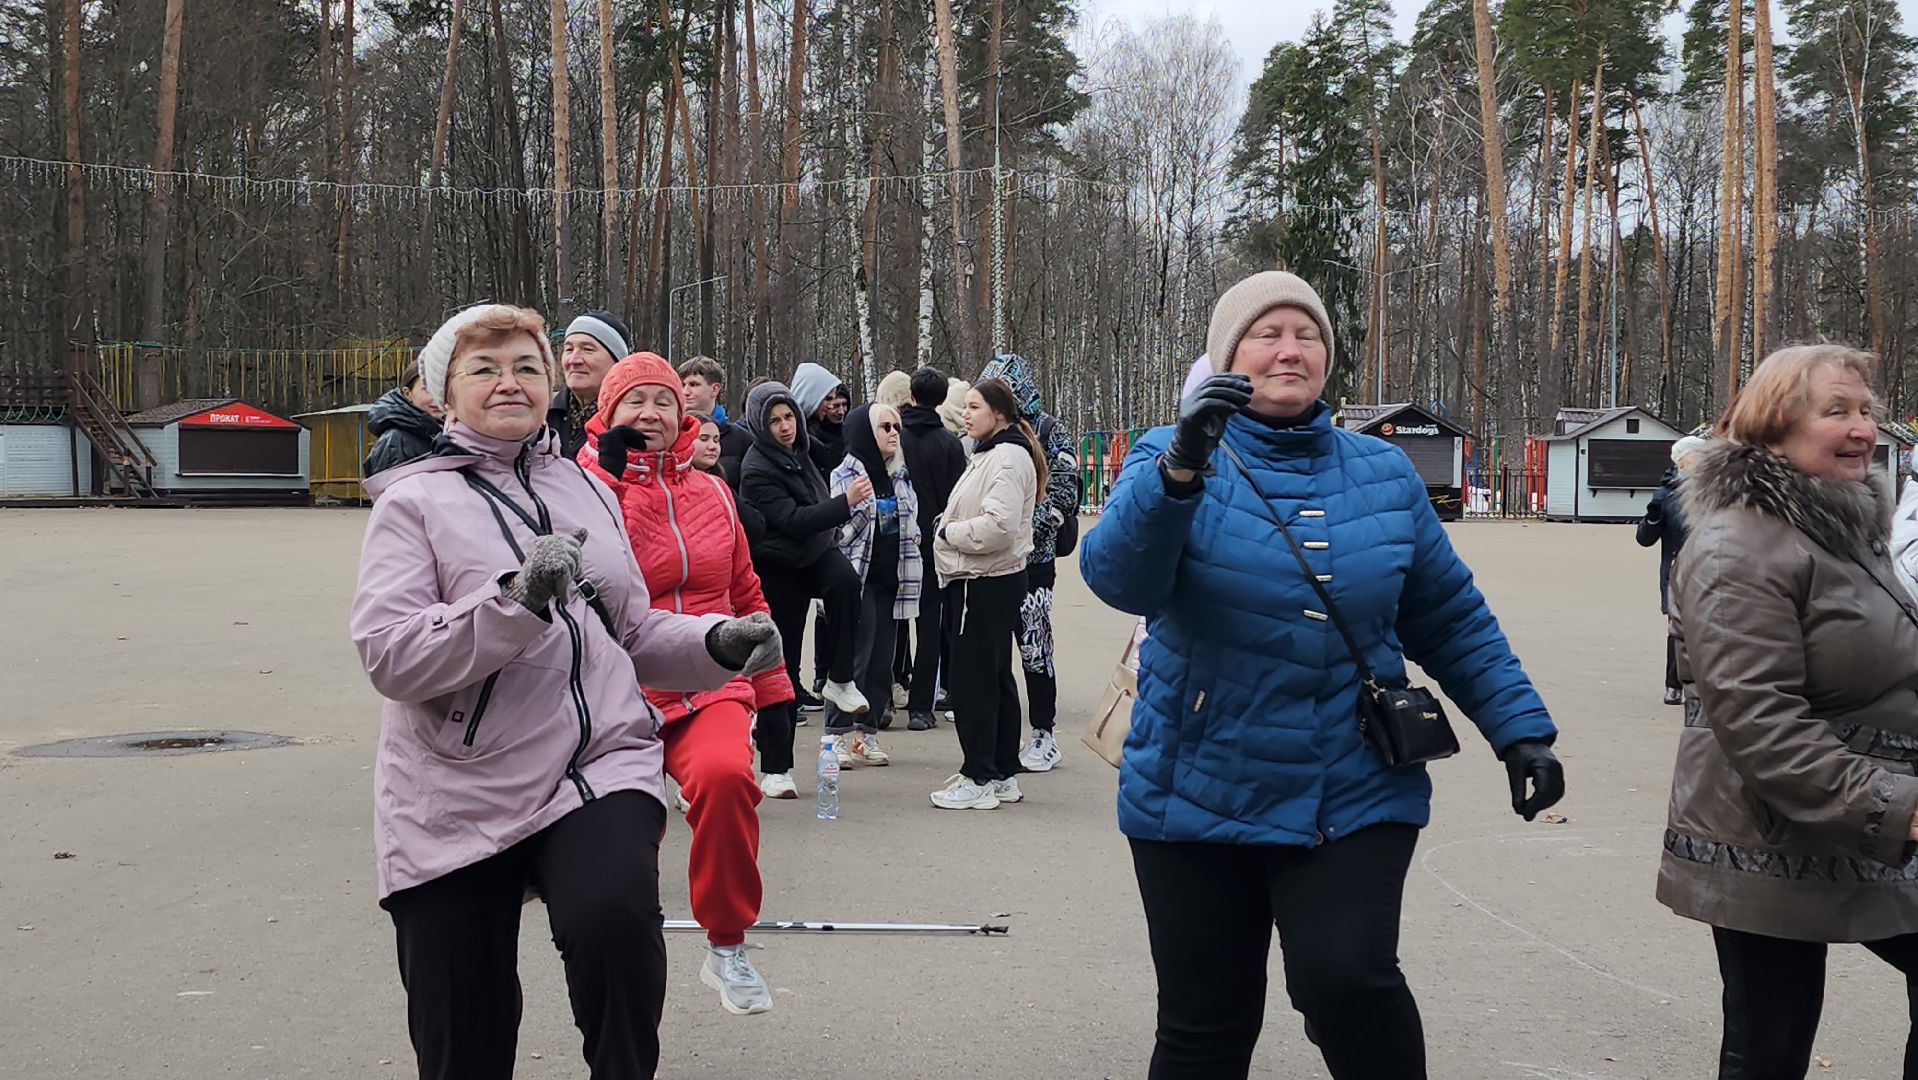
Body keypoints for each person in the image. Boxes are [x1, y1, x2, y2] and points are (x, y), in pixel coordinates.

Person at [1078, 271, 1563, 1080]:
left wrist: (1521, 733)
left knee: (1347, 982)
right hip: (1193, 786)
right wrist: (1180, 474)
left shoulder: (1382, 472)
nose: (1289, 350)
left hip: (1352, 786)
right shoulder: (1168, 453)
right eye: (1266, 334)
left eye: (1306, 335)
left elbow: (1448, 616)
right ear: (1227, 354)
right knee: (1204, 1024)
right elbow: (1119, 579)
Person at [350, 304, 781, 1079]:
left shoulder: (588, 489)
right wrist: (515, 602)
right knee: (463, 1031)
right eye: (484, 369)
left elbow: (631, 630)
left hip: (595, 764)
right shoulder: (411, 503)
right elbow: (392, 657)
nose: (508, 382)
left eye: (526, 366)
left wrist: (716, 644)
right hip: (456, 786)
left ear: (551, 385)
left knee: (617, 928)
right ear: (445, 394)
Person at [1659, 343, 1918, 1080]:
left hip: (1858, 812)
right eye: (1836, 410)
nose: (1863, 428)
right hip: (1768, 835)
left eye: (1866, 409)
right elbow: (1759, 721)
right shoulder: (1737, 544)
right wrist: (1901, 808)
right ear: (1774, 426)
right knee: (1770, 1045)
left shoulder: (1841, 528)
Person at [578, 352, 797, 1015]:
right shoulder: (583, 482)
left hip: (710, 680)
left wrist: (774, 690)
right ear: (608, 412)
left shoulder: (714, 491)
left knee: (728, 779)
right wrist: (609, 480)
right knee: (622, 842)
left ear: (684, 414)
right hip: (621, 690)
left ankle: (727, 944)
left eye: (664, 402)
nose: (651, 413)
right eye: (635, 401)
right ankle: (620, 969)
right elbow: (577, 571)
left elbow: (745, 592)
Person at [928, 377, 1044, 811]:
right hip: (984, 577)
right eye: (966, 406)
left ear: (999, 412)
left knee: (973, 681)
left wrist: (948, 531)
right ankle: (1000, 772)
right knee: (993, 676)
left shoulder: (1008, 457)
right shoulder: (992, 452)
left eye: (975, 406)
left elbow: (999, 526)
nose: (966, 414)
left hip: (983, 579)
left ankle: (979, 775)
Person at [739, 379, 873, 733]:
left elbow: (836, 451)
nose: (785, 427)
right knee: (783, 653)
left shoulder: (801, 447)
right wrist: (845, 503)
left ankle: (840, 679)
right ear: (760, 426)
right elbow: (792, 521)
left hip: (816, 548)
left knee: (846, 582)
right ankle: (775, 742)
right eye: (774, 421)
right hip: (780, 562)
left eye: (789, 417)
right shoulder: (756, 467)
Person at [980, 352, 1083, 773]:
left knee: (1034, 646)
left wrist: (1022, 529)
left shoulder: (1050, 432)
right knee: (990, 650)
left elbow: (1064, 495)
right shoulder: (985, 435)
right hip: (992, 561)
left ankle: (1043, 733)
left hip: (1033, 560)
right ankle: (997, 736)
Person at [822, 403, 921, 763]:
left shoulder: (899, 474)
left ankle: (867, 734)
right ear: (866, 432)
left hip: (892, 579)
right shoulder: (846, 474)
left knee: (882, 662)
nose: (894, 433)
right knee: (854, 659)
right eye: (885, 427)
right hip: (857, 578)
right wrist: (862, 507)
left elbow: (912, 524)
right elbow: (839, 532)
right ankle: (835, 736)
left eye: (897, 427)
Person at [898, 367, 968, 731]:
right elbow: (957, 499)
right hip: (934, 545)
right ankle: (921, 706)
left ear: (911, 395)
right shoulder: (950, 444)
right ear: (942, 401)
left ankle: (882, 696)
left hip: (896, 542)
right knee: (929, 626)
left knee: (890, 624)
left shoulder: (895, 437)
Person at [1637, 435, 1706, 706]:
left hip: (1710, 567)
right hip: (1676, 570)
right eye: (1693, 457)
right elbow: (1645, 539)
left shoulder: (1716, 492)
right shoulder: (1665, 494)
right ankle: (1673, 685)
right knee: (1677, 628)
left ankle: (1704, 686)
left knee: (1708, 627)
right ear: (1681, 461)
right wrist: (1653, 516)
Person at [548, 310, 631, 458]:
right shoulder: (543, 416)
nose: (574, 360)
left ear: (617, 361)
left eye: (587, 349)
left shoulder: (631, 420)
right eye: (569, 349)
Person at [679, 355, 753, 486]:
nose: (685, 391)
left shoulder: (741, 439)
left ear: (714, 389)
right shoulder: (672, 436)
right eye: (682, 385)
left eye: (694, 384)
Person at [362, 360, 443, 477]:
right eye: (427, 390)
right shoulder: (395, 441)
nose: (437, 397)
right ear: (407, 393)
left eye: (441, 389)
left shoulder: (446, 430)